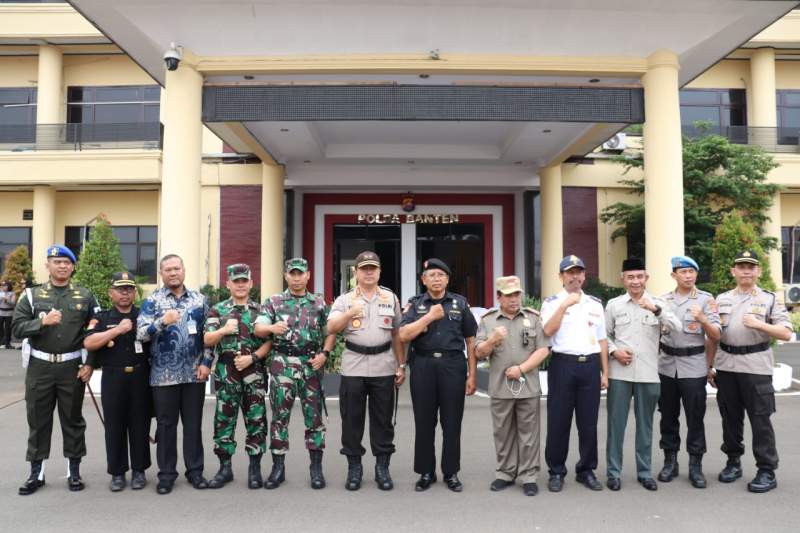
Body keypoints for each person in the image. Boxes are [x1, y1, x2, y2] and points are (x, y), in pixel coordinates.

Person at [13, 245, 100, 495]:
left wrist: (90, 363)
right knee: (38, 421)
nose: (62, 266)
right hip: (40, 367)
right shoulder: (32, 295)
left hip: (71, 367)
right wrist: (42, 322)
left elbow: (94, 332)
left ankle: (74, 471)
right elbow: (17, 328)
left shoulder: (85, 295)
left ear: (73, 267)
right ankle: (36, 473)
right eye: (57, 261)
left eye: (66, 262)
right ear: (47, 265)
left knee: (72, 420)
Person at [712, 250, 792, 493]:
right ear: (733, 271)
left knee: (760, 419)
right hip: (726, 365)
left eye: (751, 267)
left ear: (758, 271)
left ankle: (766, 469)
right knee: (730, 418)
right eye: (741, 266)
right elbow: (713, 335)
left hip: (756, 365)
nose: (746, 270)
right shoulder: (722, 298)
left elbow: (786, 333)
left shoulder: (769, 299)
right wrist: (709, 365)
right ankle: (733, 462)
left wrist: (760, 324)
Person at [326, 251, 406, 491]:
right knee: (352, 420)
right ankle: (354, 468)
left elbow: (397, 334)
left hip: (383, 365)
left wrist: (401, 365)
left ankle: (382, 468)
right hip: (354, 366)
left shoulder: (390, 298)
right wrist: (350, 312)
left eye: (373, 268)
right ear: (357, 272)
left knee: (383, 421)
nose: (369, 272)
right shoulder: (344, 300)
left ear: (380, 271)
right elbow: (331, 327)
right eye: (364, 268)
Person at [399, 258, 478, 492]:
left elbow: (470, 339)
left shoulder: (460, 304)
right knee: (424, 422)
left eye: (440, 275)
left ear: (447, 279)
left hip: (453, 365)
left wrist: (472, 375)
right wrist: (429, 317)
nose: (436, 279)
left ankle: (451, 472)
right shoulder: (415, 305)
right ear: (423, 280)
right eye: (431, 275)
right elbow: (403, 335)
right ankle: (426, 472)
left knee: (452, 422)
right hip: (423, 365)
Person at [255, 257, 334, 490]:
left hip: (311, 363)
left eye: (301, 274)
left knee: (315, 419)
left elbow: (330, 331)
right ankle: (278, 469)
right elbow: (258, 328)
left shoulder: (318, 303)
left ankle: (316, 469)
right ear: (286, 275)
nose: (297, 278)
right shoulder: (274, 302)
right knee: (280, 417)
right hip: (282, 364)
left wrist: (325, 354)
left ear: (308, 275)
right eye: (293, 273)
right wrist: (271, 328)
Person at [136, 254, 211, 495]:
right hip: (162, 375)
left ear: (184, 270)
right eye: (167, 269)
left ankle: (195, 472)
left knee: (193, 426)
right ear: (161, 274)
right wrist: (161, 322)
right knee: (166, 426)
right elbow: (140, 334)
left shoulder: (200, 300)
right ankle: (166, 475)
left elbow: (209, 336)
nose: (172, 273)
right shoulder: (152, 302)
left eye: (176, 268)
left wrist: (207, 362)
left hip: (193, 374)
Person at [605, 258, 680, 491]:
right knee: (616, 426)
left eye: (639, 276)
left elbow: (676, 328)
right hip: (620, 373)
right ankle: (613, 472)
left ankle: (644, 472)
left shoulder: (658, 303)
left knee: (646, 426)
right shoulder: (614, 305)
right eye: (630, 277)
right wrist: (614, 351)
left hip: (649, 373)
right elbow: (603, 336)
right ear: (623, 279)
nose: (635, 281)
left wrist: (656, 310)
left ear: (646, 278)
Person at [475, 275, 549, 497]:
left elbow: (543, 349)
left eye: (517, 294)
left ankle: (529, 476)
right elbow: (479, 352)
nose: (514, 299)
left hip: (527, 386)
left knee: (529, 433)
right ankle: (505, 473)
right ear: (499, 297)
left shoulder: (533, 318)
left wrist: (521, 369)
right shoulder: (488, 320)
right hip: (500, 387)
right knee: (503, 432)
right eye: (508, 295)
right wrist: (492, 340)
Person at [540, 255, 608, 493]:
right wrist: (564, 306)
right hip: (563, 365)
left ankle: (586, 470)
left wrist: (605, 373)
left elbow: (602, 340)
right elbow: (547, 331)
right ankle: (556, 471)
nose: (575, 276)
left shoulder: (595, 304)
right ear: (561, 276)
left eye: (579, 272)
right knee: (558, 421)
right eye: (570, 272)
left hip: (589, 366)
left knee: (588, 423)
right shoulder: (551, 303)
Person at [83, 271, 152, 492]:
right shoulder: (102, 318)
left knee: (140, 424)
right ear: (110, 293)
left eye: (129, 289)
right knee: (114, 426)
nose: (125, 293)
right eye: (120, 289)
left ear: (134, 292)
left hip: (141, 377)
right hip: (113, 378)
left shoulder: (144, 316)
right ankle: (118, 473)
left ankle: (139, 470)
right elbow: (90, 343)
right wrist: (118, 330)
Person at [204, 264, 270, 489]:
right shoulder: (217, 310)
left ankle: (254, 469)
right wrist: (223, 330)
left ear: (251, 283)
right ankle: (225, 469)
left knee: (257, 422)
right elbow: (207, 339)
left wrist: (253, 358)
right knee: (224, 422)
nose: (240, 285)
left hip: (254, 373)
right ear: (228, 284)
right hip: (227, 373)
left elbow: (270, 342)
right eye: (236, 281)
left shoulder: (261, 310)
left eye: (244, 281)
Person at [657, 256, 720, 488]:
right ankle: (670, 462)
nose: (689, 276)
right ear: (674, 275)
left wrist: (702, 318)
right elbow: (656, 335)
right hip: (666, 366)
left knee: (695, 418)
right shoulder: (663, 301)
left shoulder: (705, 300)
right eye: (683, 272)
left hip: (694, 366)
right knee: (668, 417)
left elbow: (716, 336)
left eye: (692, 271)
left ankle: (696, 465)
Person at [0, 280, 16, 348]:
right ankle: (1, 341)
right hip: (1, 312)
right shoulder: (1, 292)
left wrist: (7, 300)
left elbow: (13, 303)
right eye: (3, 286)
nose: (4, 287)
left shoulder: (12, 293)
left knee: (7, 328)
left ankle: (7, 343)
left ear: (9, 286)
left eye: (5, 286)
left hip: (9, 313)